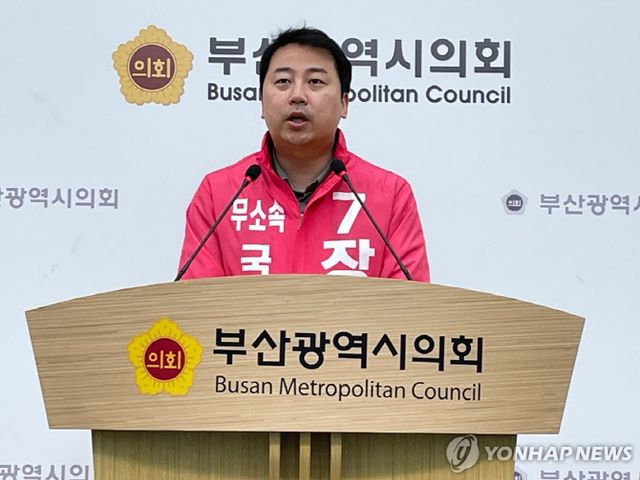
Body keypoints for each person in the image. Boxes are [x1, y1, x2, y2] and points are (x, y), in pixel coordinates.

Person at [178, 27, 429, 281]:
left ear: (344, 103)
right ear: (262, 102)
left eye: (315, 82)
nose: (297, 96)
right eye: (283, 81)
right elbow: (197, 301)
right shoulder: (219, 194)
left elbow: (410, 302)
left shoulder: (391, 195)